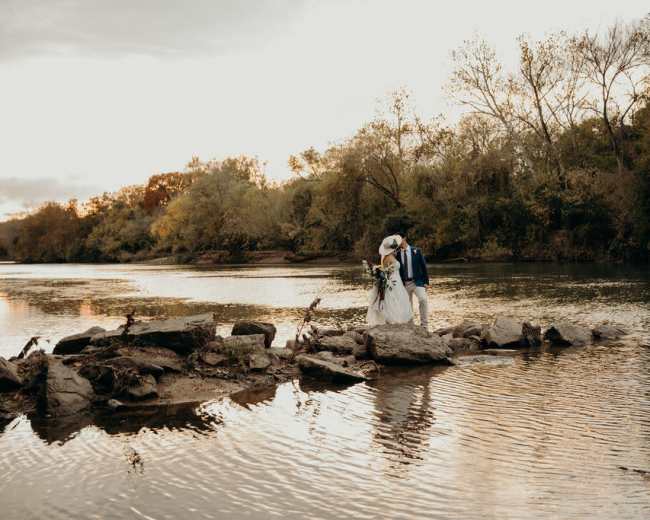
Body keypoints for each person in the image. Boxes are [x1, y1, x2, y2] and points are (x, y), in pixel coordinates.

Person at [366, 235, 413, 326]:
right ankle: (395, 321)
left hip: (394, 280)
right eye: (394, 248)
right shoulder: (389, 257)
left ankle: (394, 321)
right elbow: (387, 270)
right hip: (394, 281)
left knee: (394, 300)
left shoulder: (385, 257)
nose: (396, 249)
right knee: (395, 300)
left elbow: (384, 268)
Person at [395, 234, 430, 328]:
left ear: (404, 238)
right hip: (404, 283)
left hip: (417, 282)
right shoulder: (396, 254)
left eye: (399, 239)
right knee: (407, 305)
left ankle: (424, 325)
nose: (398, 242)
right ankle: (410, 325)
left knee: (423, 299)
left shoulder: (416, 251)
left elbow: (423, 267)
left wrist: (426, 282)